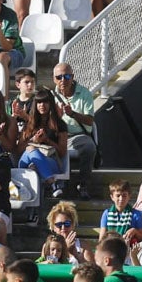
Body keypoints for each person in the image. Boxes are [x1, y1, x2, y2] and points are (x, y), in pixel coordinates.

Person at [51, 62, 97, 200]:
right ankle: (58, 185)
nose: (63, 80)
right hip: (58, 134)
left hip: (79, 135)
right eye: (59, 77)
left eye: (66, 76)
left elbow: (90, 121)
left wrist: (73, 114)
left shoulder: (85, 93)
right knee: (49, 146)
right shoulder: (50, 96)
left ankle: (83, 184)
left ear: (72, 77)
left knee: (89, 147)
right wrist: (57, 117)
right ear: (54, 79)